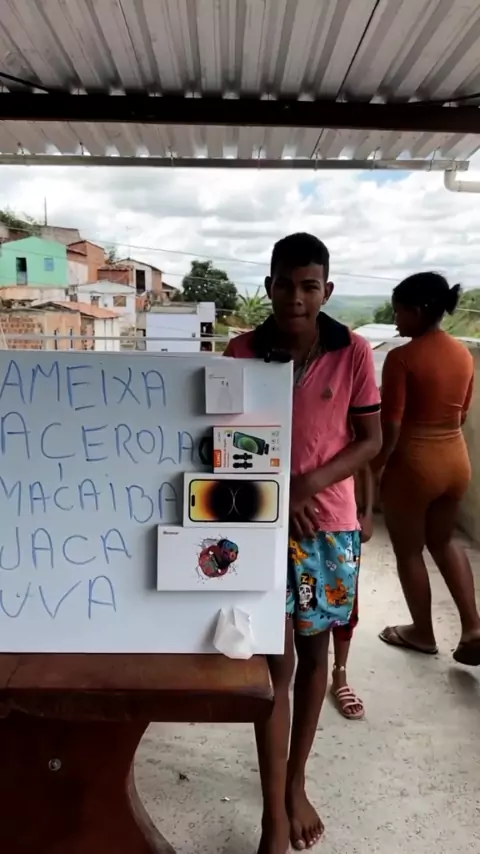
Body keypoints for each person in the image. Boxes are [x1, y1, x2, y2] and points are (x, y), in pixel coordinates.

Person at [224, 233, 381, 854]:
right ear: (269, 286)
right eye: (285, 284)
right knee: (275, 665)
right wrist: (273, 494)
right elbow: (223, 439)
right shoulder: (242, 351)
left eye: (309, 286)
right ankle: (272, 813)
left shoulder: (354, 351)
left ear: (327, 290)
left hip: (328, 528)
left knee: (315, 657)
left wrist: (306, 485)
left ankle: (296, 783)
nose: (296, 297)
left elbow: (369, 440)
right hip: (259, 526)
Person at [371, 272, 480, 666]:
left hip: (415, 465)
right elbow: (462, 412)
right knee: (444, 541)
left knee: (408, 550)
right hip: (456, 461)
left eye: (399, 311)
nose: (396, 320)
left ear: (418, 311)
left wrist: (374, 468)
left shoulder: (402, 358)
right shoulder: (463, 354)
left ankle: (422, 632)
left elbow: (392, 425)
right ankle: (473, 627)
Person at [331, 465, 374, 720]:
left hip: (344, 523)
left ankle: (340, 674)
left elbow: (365, 464)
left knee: (345, 604)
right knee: (291, 603)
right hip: (298, 516)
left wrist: (367, 512)